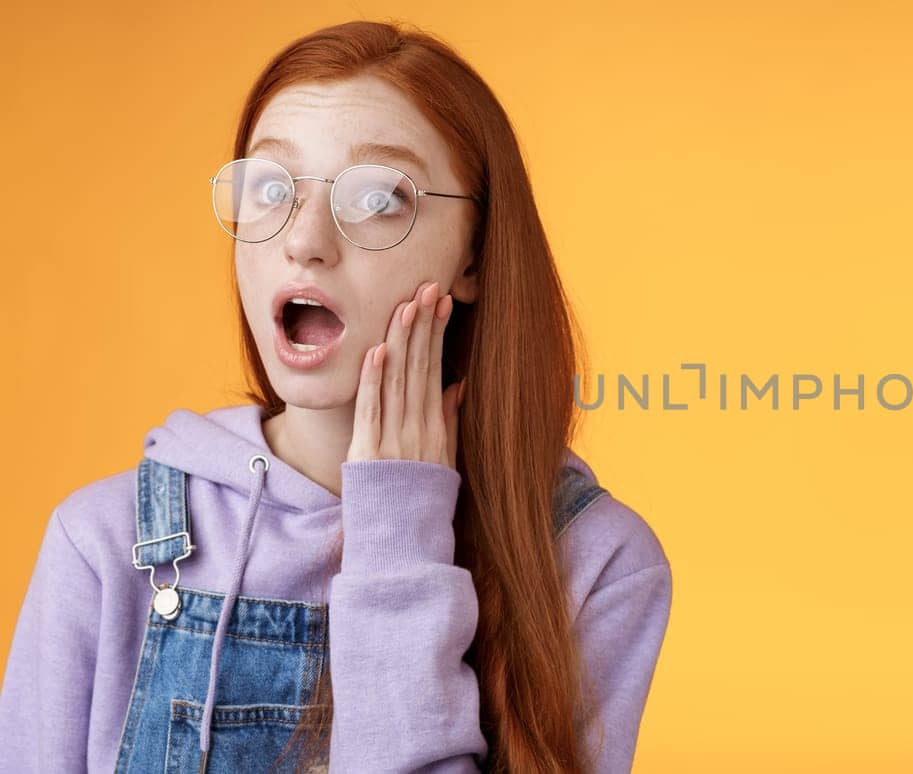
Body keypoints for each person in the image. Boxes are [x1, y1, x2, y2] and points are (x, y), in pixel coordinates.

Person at [0, 19, 672, 774]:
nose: (305, 239)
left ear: (474, 254)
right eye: (270, 188)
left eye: (379, 197)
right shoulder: (103, 545)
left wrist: (401, 534)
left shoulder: (593, 563)